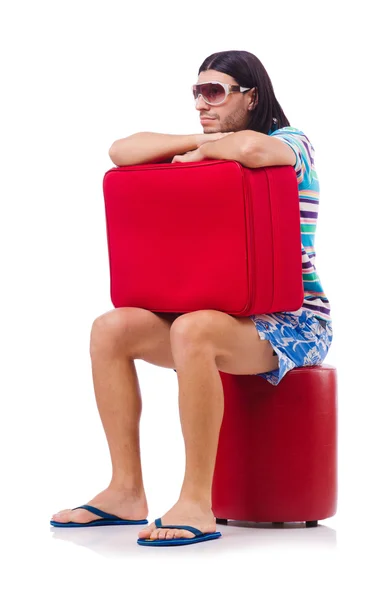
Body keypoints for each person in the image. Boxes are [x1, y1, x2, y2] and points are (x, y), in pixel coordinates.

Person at [50, 50, 333, 545]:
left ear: (252, 97)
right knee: (110, 328)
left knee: (193, 327)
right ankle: (126, 491)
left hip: (292, 323)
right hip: (216, 313)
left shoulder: (291, 143)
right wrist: (204, 143)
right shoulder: (211, 141)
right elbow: (121, 150)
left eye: (215, 92)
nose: (202, 103)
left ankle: (196, 502)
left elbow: (254, 151)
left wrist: (211, 150)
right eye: (197, 92)